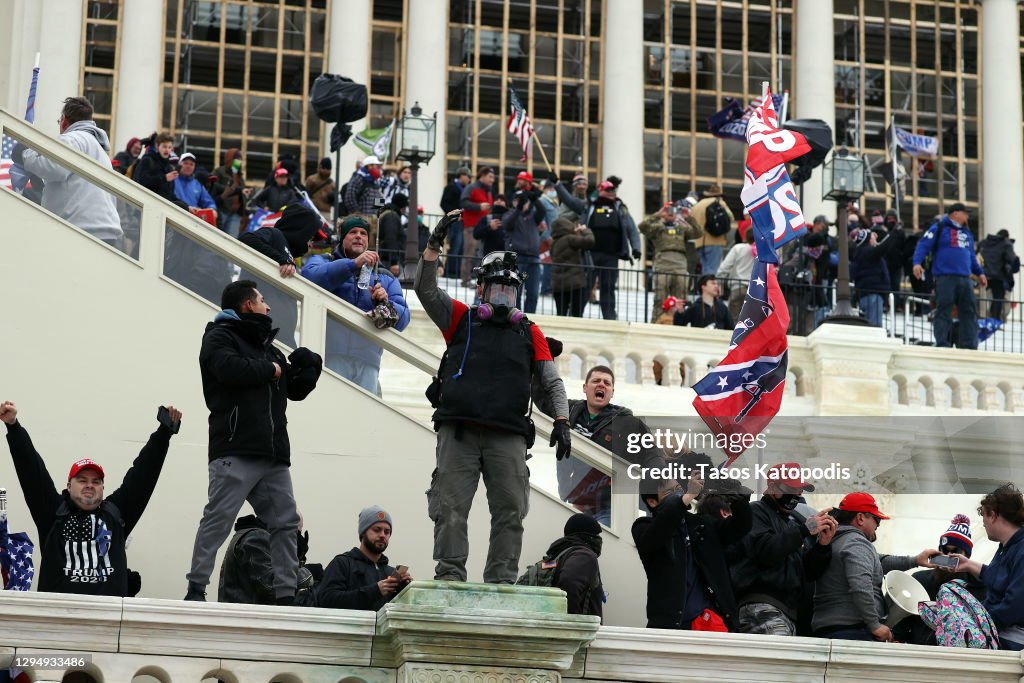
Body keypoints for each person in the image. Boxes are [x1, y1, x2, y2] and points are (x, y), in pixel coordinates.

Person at [415, 211, 572, 583]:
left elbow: (552, 382)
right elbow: (425, 290)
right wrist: (433, 247)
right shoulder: (461, 319)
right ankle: (450, 577)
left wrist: (563, 421)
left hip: (508, 435)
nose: (503, 298)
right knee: (451, 508)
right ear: (481, 291)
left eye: (510, 290)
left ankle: (501, 581)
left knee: (511, 512)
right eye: (497, 289)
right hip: (459, 432)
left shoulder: (529, 331)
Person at [185, 280, 323, 604]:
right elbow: (228, 368)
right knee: (218, 520)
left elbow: (294, 388)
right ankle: (195, 590)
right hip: (235, 448)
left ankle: (286, 595)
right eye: (262, 300)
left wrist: (311, 366)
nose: (268, 306)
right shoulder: (219, 337)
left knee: (286, 522)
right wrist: (270, 370)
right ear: (247, 305)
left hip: (272, 454)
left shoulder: (268, 348)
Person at [1, 400, 181, 596]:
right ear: (69, 486)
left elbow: (143, 475)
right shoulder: (52, 512)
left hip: (108, 621)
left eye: (96, 481)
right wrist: (13, 426)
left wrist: (164, 433)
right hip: (58, 618)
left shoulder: (115, 514)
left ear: (103, 488)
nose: (89, 485)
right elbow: (32, 471)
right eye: (82, 479)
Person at [542, 365, 666, 526]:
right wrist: (545, 362)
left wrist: (656, 476)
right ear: (585, 388)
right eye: (596, 381)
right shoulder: (568, 410)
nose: (601, 384)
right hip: (579, 502)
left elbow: (652, 454)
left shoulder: (627, 422)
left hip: (609, 505)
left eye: (607, 383)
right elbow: (542, 400)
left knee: (603, 542)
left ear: (612, 392)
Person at [302, 215, 410, 396]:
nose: (359, 236)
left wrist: (385, 303)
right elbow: (310, 277)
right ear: (342, 238)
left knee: (364, 419)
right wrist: (352, 265)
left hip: (368, 360)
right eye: (352, 232)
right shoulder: (323, 261)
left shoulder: (384, 276)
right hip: (329, 355)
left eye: (363, 233)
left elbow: (404, 319)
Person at [633, 470, 752, 631]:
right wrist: (687, 497)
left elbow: (740, 527)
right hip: (672, 625)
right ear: (652, 502)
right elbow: (655, 535)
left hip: (713, 620)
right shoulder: (643, 527)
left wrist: (739, 501)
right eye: (669, 492)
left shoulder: (703, 523)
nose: (679, 494)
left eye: (678, 488)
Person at [812, 492, 940, 641]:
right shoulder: (857, 543)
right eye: (876, 519)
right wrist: (875, 626)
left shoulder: (836, 541)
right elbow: (860, 584)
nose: (878, 525)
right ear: (860, 518)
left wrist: (915, 560)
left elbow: (878, 562)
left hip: (830, 628)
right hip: (852, 631)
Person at [730, 464, 837, 636]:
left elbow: (806, 573)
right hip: (762, 606)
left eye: (799, 490)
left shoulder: (790, 523)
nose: (796, 495)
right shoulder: (755, 511)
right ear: (772, 487)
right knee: (775, 661)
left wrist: (822, 545)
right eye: (790, 489)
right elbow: (766, 551)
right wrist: (806, 528)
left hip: (787, 612)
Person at [16, 96, 123, 247]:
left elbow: (53, 168)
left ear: (64, 120)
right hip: (104, 231)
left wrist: (24, 155)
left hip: (81, 230)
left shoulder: (72, 139)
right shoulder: (98, 149)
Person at [238, 203, 324, 348]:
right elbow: (247, 239)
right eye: (311, 237)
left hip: (279, 334)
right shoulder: (275, 235)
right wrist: (280, 259)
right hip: (260, 329)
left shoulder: (288, 254)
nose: (311, 245)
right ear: (301, 229)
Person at [951, 483, 1024, 650]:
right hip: (1000, 635)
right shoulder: (1008, 547)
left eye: (983, 516)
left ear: (992, 514)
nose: (983, 523)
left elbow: (1015, 606)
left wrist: (976, 624)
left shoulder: (1020, 549)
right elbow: (1000, 578)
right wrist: (969, 564)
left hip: (1010, 643)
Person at [296, 506, 411, 610]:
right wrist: (374, 591)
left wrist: (404, 590)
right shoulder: (342, 564)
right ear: (362, 533)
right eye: (377, 530)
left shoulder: (389, 573)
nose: (382, 535)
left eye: (387, 532)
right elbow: (327, 600)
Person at [912, 203, 987, 349]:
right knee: (943, 310)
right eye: (965, 213)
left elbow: (971, 256)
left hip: (965, 278)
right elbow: (923, 245)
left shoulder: (967, 234)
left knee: (969, 311)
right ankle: (942, 342)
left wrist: (980, 273)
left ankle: (969, 344)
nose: (967, 216)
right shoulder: (939, 228)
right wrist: (917, 263)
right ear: (955, 213)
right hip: (945, 277)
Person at [569, 177, 641, 320]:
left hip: (611, 256)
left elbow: (632, 229)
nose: (611, 192)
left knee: (608, 287)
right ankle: (575, 316)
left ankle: (609, 318)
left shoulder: (620, 208)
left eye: (613, 190)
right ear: (600, 190)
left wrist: (636, 248)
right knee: (585, 286)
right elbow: (578, 219)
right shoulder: (589, 205)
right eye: (608, 190)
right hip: (590, 254)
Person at [218, 513, 320, 604]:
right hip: (246, 620)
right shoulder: (257, 538)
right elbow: (272, 585)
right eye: (296, 533)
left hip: (245, 618)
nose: (295, 539)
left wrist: (296, 554)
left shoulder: (255, 536)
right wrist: (308, 572)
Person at [534, 513, 604, 619]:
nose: (599, 539)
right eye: (597, 535)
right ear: (589, 536)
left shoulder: (556, 558)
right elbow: (569, 581)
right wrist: (572, 623)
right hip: (576, 632)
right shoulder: (584, 555)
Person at [640, 202, 703, 306]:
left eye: (673, 210)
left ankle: (678, 321)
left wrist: (688, 217)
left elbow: (698, 233)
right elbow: (642, 227)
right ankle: (657, 321)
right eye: (667, 209)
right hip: (663, 263)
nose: (670, 212)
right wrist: (657, 215)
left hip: (680, 264)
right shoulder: (657, 228)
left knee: (681, 297)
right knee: (660, 297)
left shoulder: (681, 228)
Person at [501, 187, 543, 313]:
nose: (522, 203)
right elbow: (508, 224)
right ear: (514, 202)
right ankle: (516, 319)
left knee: (533, 293)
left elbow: (542, 211)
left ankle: (529, 319)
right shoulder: (508, 215)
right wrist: (518, 209)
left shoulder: (533, 217)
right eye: (518, 201)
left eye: (524, 201)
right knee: (515, 293)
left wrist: (535, 199)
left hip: (533, 259)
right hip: (517, 259)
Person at [550, 217, 595, 317]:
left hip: (558, 285)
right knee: (577, 314)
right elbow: (590, 241)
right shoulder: (570, 239)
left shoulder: (554, 243)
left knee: (561, 314)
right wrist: (585, 230)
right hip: (575, 284)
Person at [850, 226, 894, 328]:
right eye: (872, 237)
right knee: (874, 327)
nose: (875, 238)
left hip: (869, 295)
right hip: (872, 296)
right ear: (868, 240)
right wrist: (894, 232)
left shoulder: (860, 253)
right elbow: (883, 247)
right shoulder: (867, 252)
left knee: (871, 326)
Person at [459, 167, 496, 284]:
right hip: (472, 226)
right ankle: (466, 279)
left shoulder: (488, 191)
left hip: (483, 228)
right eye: (490, 177)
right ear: (483, 176)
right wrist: (479, 207)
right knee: (469, 253)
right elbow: (463, 202)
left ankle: (476, 279)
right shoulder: (471, 187)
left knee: (480, 254)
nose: (492, 180)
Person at [688, 184, 735, 277]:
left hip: (699, 242)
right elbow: (731, 217)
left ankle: (703, 288)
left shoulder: (698, 205)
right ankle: (708, 289)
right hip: (715, 240)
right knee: (712, 270)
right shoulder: (719, 202)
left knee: (705, 268)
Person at [717, 227, 757, 321]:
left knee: (733, 320)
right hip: (756, 291)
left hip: (738, 287)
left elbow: (724, 268)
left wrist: (718, 283)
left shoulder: (738, 248)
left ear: (746, 237)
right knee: (751, 322)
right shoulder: (763, 251)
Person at [978, 229, 1018, 321]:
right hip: (1000, 276)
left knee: (991, 300)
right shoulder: (1006, 244)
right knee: (999, 300)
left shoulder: (986, 242)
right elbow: (1011, 260)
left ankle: (991, 320)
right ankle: (996, 321)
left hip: (986, 275)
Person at [210, 148, 251, 237]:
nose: (238, 162)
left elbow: (241, 192)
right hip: (222, 210)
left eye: (240, 160)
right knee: (216, 236)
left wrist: (244, 206)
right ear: (229, 159)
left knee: (231, 239)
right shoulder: (219, 172)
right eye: (236, 159)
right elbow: (212, 188)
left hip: (236, 213)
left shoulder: (239, 176)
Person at [440, 166, 472, 274]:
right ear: (462, 175)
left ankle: (457, 271)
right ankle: (451, 271)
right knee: (455, 245)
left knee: (462, 247)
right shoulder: (451, 187)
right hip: (455, 222)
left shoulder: (465, 189)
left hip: (463, 222)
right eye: (468, 176)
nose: (469, 179)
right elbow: (444, 203)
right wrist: (455, 215)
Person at [133, 132, 178, 203]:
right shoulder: (148, 160)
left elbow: (170, 195)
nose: (167, 150)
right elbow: (142, 182)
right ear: (157, 146)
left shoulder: (169, 168)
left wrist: (187, 207)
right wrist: (164, 178)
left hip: (162, 207)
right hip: (145, 204)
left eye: (169, 147)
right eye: (164, 146)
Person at [304, 157, 336, 221]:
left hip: (325, 212)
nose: (325, 171)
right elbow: (305, 195)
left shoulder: (332, 183)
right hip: (313, 210)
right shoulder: (311, 179)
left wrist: (331, 198)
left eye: (328, 169)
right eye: (324, 168)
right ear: (320, 167)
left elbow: (335, 202)